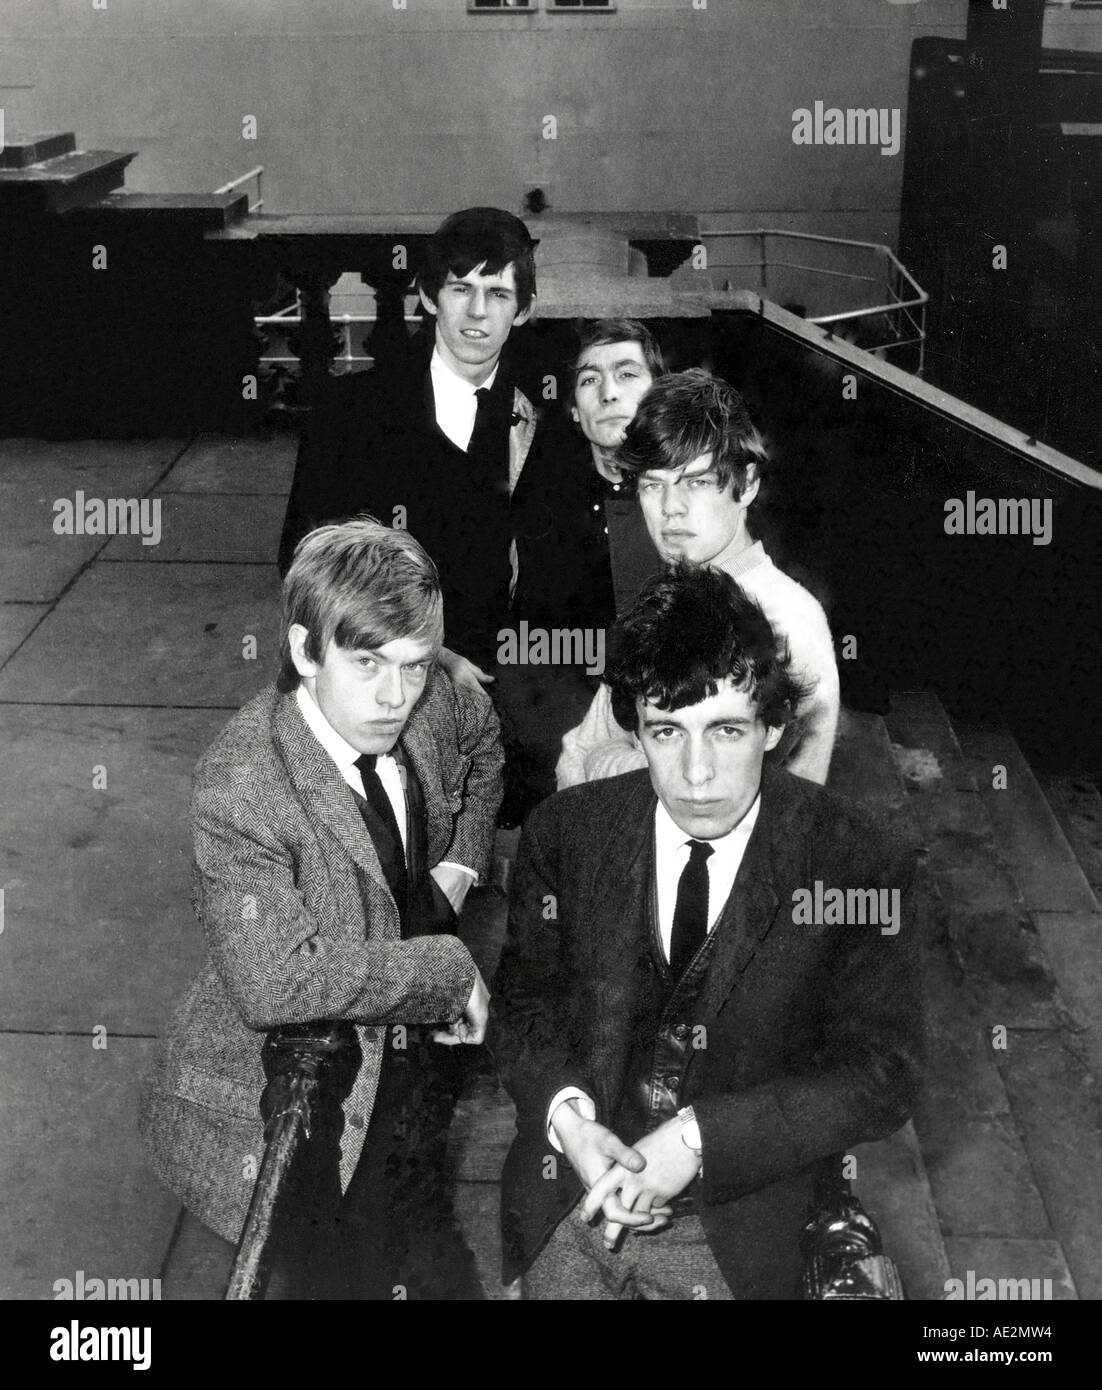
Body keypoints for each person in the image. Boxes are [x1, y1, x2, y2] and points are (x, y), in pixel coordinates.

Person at [492, 564, 923, 1300]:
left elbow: (884, 1074)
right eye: (666, 731)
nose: (696, 773)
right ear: (636, 728)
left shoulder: (856, 860)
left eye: (726, 730)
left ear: (776, 728)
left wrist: (700, 1139)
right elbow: (521, 1008)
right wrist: (569, 1122)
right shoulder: (567, 833)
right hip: (568, 1209)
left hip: (741, 1241)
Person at [139, 517, 503, 1299]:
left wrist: (459, 867)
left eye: (413, 665)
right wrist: (442, 966)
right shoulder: (243, 786)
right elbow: (276, 981)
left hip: (407, 1083)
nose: (393, 696)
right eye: (365, 663)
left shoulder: (428, 703)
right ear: (305, 652)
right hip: (295, 1109)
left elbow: (482, 738)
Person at [278, 207, 540, 685]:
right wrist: (432, 656)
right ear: (429, 296)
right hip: (375, 671)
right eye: (461, 289)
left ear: (523, 310)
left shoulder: (542, 423)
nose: (477, 312)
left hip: (507, 678)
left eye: (498, 294)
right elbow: (306, 564)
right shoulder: (347, 413)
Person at [556, 369, 840, 789]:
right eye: (654, 485)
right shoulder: (664, 599)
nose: (671, 507)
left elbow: (726, 805)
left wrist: (610, 765)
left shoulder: (787, 622)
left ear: (745, 486)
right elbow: (577, 751)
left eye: (697, 482)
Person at [511, 317, 667, 634]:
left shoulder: (690, 502)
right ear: (574, 411)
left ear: (658, 393)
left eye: (627, 374)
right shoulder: (546, 506)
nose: (608, 393)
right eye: (590, 380)